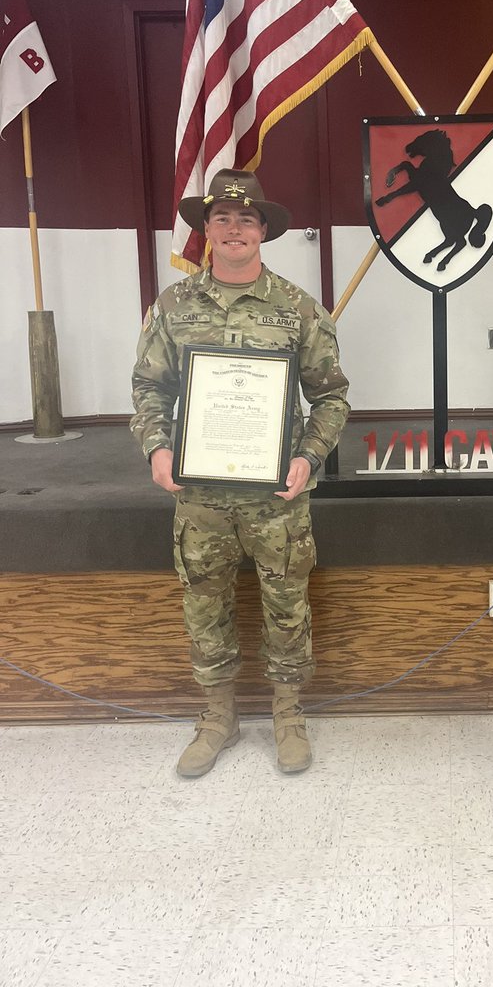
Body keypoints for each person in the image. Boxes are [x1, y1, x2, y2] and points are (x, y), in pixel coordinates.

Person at [131, 169, 350, 778]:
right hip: (199, 495)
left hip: (276, 496)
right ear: (206, 229)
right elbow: (149, 387)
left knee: (287, 604)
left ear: (263, 231)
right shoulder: (173, 306)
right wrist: (156, 448)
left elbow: (331, 397)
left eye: (246, 218)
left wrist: (308, 457)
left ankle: (288, 713)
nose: (234, 228)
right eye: (222, 218)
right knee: (204, 604)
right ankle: (217, 714)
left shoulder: (298, 309)